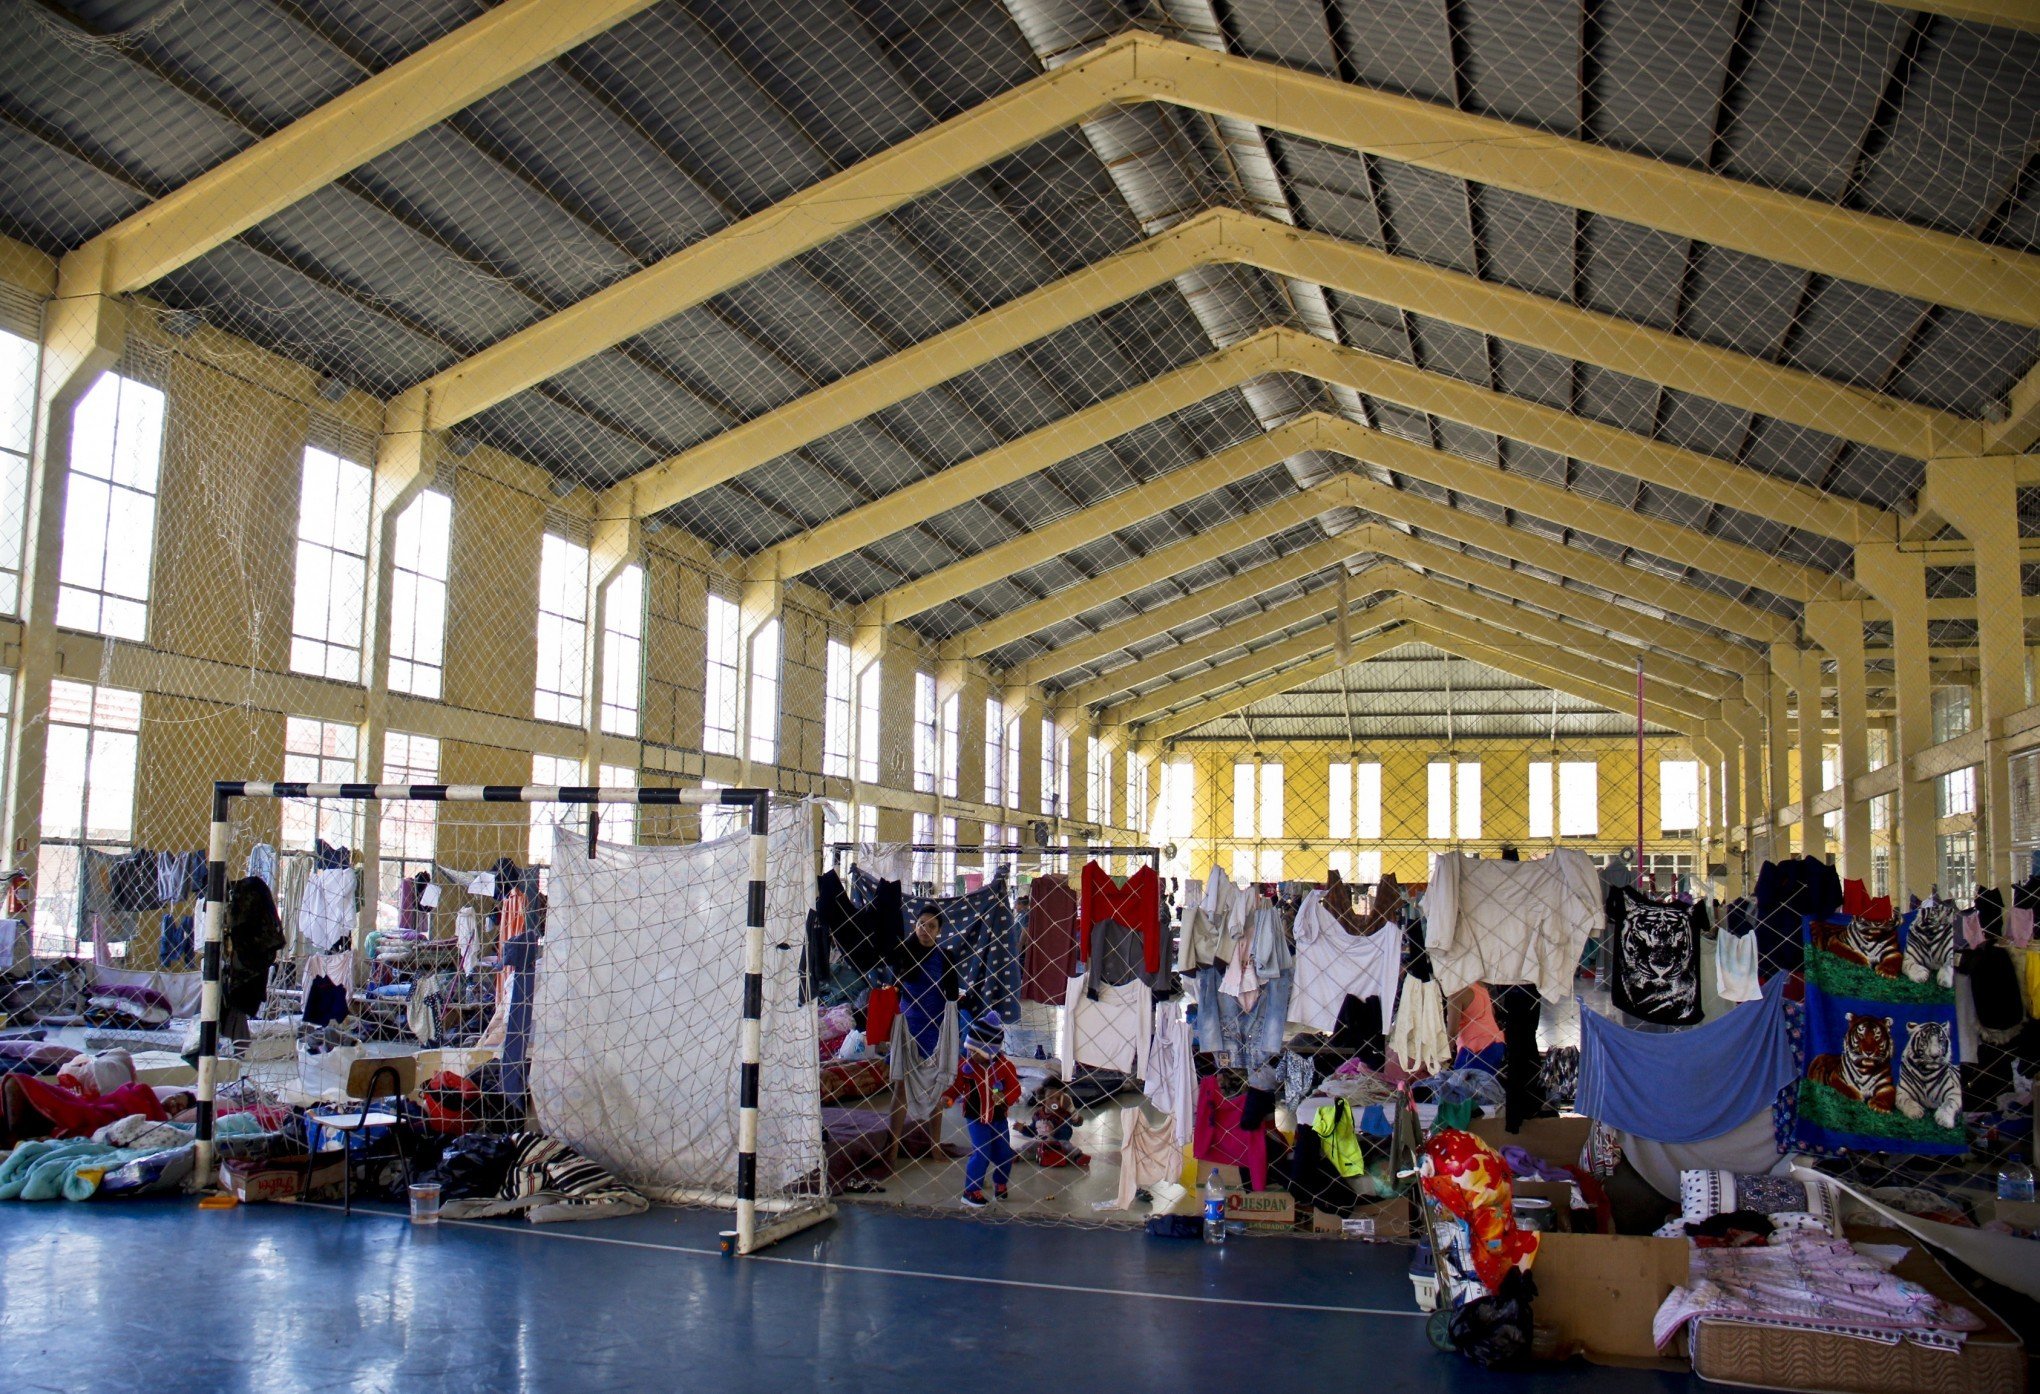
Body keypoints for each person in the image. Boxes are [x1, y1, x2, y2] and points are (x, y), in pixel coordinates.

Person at [943, 1011, 1021, 1207]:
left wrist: (1005, 1097)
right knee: (981, 1153)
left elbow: (1015, 1089)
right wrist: (949, 1097)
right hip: (975, 1118)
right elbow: (956, 1086)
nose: (971, 1054)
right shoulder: (966, 1067)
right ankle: (971, 1190)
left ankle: (1000, 1183)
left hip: (998, 1118)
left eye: (976, 1051)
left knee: (1004, 1154)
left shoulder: (1004, 1067)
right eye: (969, 1049)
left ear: (990, 1050)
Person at [891, 905, 956, 1054]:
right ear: (915, 926)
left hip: (933, 1023)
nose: (925, 929)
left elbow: (952, 994)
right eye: (921, 924)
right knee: (903, 1066)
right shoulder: (903, 952)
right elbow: (894, 987)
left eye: (932, 926)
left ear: (939, 931)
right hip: (906, 1020)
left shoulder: (945, 957)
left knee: (930, 1068)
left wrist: (950, 1026)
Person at [1021, 1082, 1089, 1168]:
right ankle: (1018, 1155)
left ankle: (1078, 1156)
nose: (1054, 1101)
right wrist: (1022, 1129)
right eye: (1050, 1097)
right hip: (1041, 1143)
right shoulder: (1037, 1114)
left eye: (1058, 1098)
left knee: (1067, 1145)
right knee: (1029, 1145)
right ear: (1043, 1099)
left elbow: (1067, 1132)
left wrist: (1054, 1132)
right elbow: (1033, 1131)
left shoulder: (1063, 1115)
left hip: (1058, 1144)